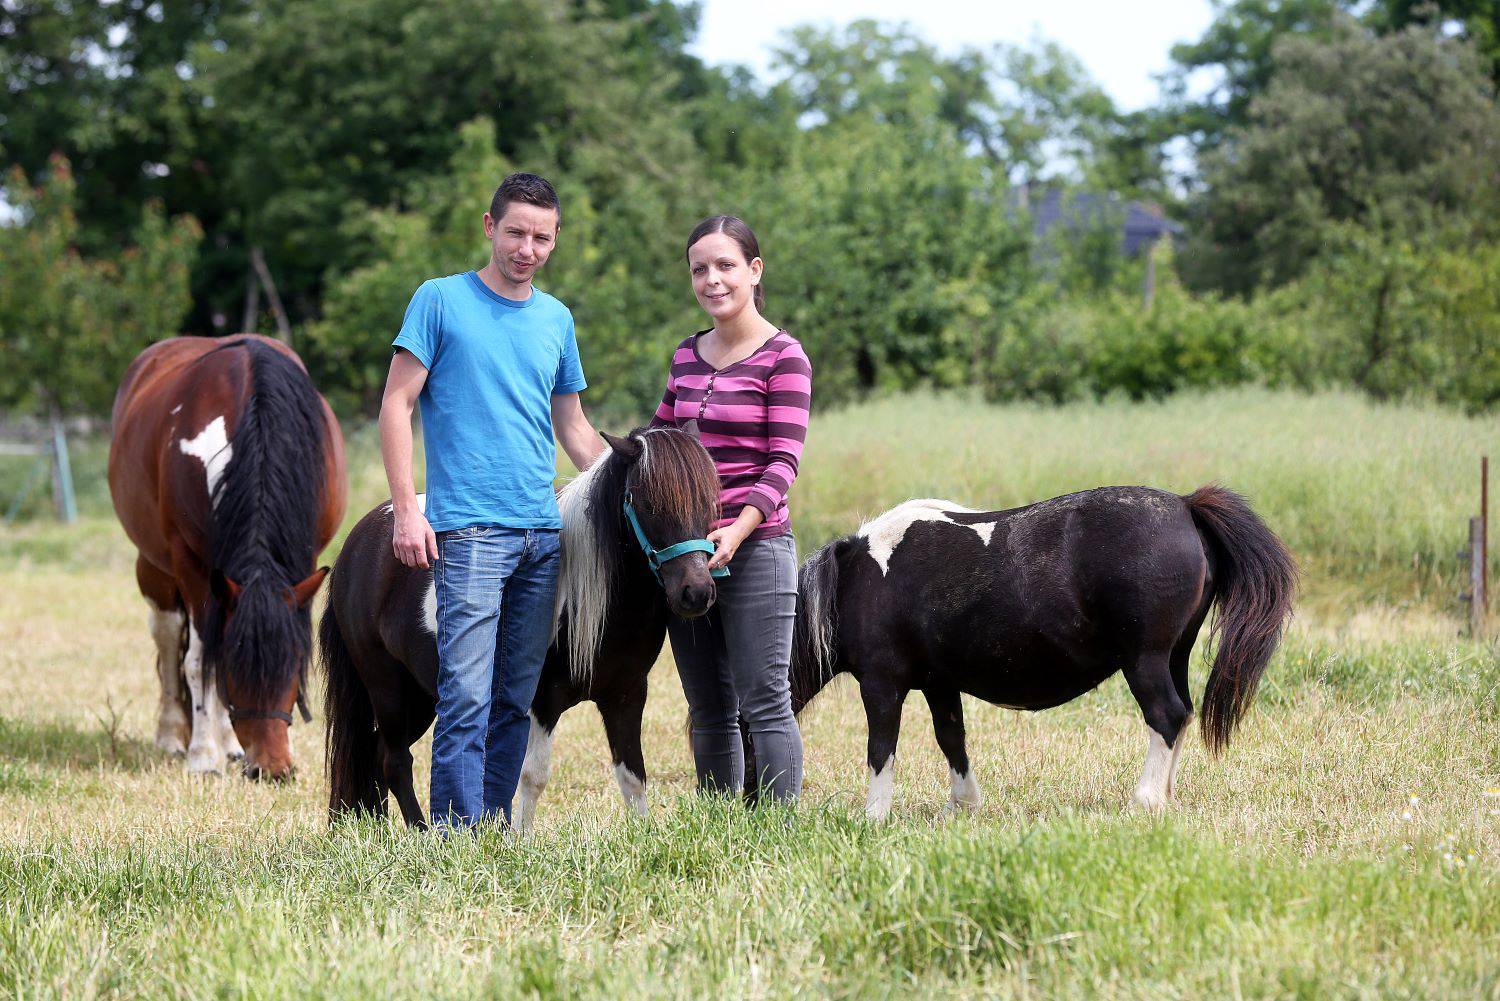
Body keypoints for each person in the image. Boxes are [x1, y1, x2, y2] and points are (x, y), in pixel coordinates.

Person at [380, 172, 603, 829]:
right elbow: (397, 403)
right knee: (467, 693)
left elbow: (575, 430)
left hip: (543, 532)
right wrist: (406, 507)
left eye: (540, 237)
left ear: (555, 239)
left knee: (515, 696)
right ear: (489, 226)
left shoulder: (557, 319)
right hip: (471, 530)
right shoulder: (440, 301)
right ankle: (454, 836)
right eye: (514, 232)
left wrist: (631, 485)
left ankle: (492, 825)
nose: (525, 248)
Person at [652, 214, 810, 803]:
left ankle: (773, 833)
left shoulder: (784, 358)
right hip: (687, 553)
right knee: (708, 705)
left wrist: (737, 533)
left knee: (764, 699)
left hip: (757, 547)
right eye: (700, 269)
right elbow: (659, 444)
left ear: (754, 270)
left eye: (725, 266)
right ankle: (720, 832)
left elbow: (782, 465)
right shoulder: (686, 356)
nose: (712, 280)